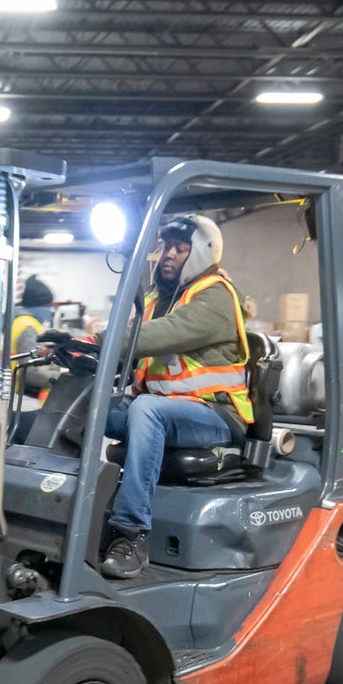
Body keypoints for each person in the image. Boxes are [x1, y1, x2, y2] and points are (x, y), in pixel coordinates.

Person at [98, 214, 254, 579]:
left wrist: (104, 340)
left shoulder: (215, 296)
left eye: (180, 248)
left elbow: (162, 334)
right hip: (167, 411)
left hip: (214, 415)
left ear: (200, 253)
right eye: (166, 246)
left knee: (147, 410)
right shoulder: (158, 297)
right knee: (88, 407)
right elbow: (135, 338)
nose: (168, 254)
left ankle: (131, 534)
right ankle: (65, 505)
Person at [9, 277, 64, 437]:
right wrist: (61, 377)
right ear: (38, 304)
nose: (49, 310)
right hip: (25, 402)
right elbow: (32, 373)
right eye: (48, 306)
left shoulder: (18, 321)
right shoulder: (28, 327)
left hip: (16, 398)